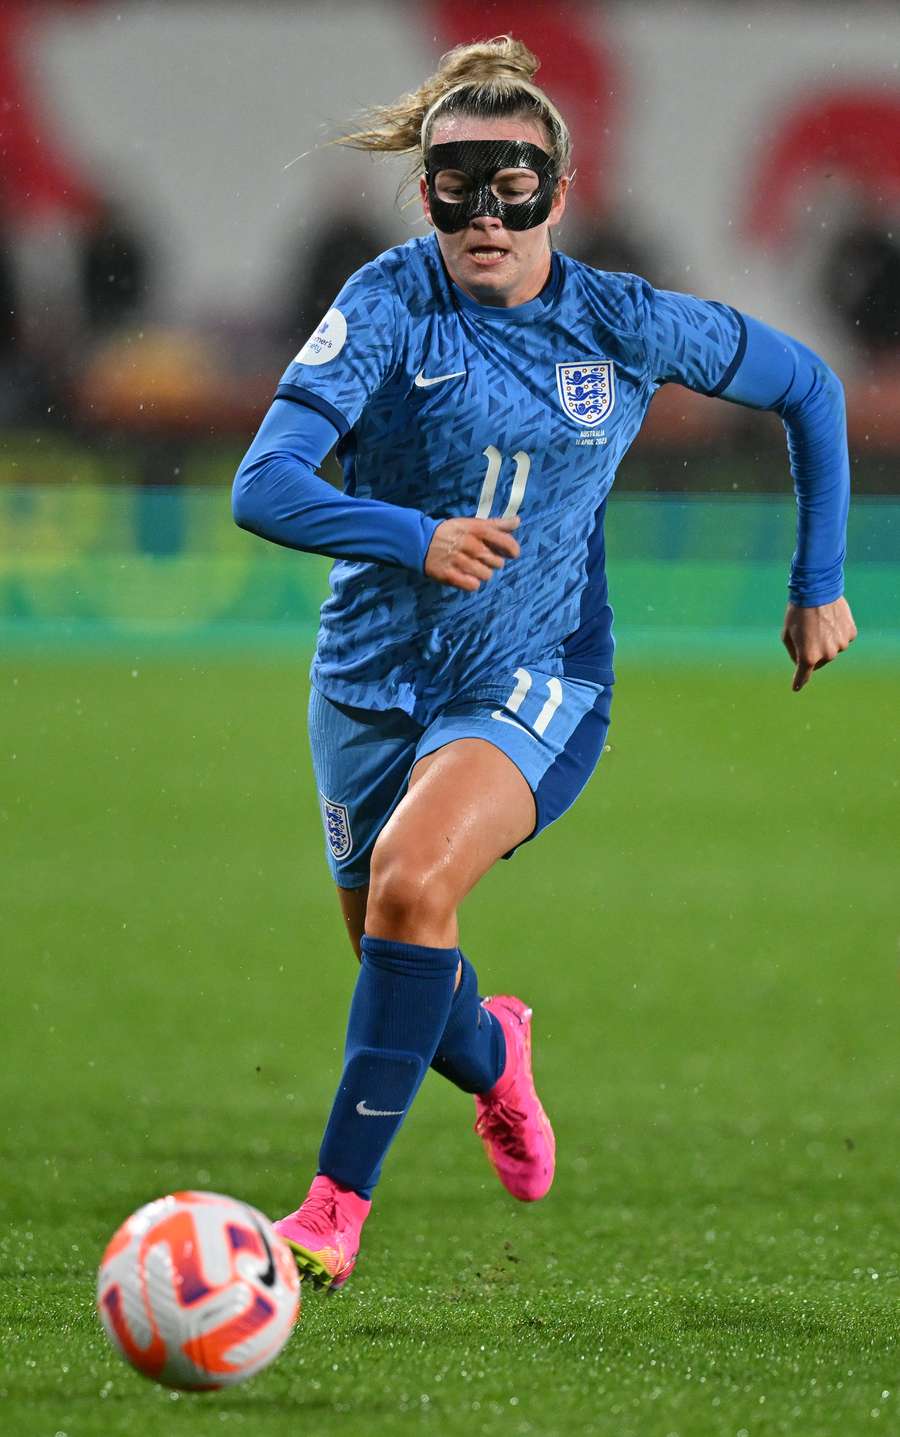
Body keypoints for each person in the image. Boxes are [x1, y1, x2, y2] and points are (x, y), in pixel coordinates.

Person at [232, 36, 856, 1291]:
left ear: (557, 191)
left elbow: (812, 388)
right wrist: (415, 536)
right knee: (401, 947)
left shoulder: (620, 320)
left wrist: (817, 584)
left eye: (512, 182)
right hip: (364, 677)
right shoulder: (386, 301)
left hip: (533, 680)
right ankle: (497, 1052)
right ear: (426, 195)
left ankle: (331, 1212)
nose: (485, 212)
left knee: (411, 885)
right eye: (456, 182)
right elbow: (264, 485)